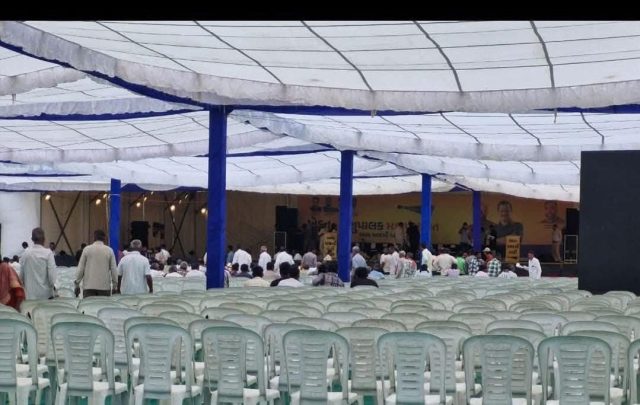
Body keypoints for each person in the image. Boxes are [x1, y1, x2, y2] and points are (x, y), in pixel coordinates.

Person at [74, 230, 118, 298]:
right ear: (104, 238)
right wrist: (115, 286)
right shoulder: (109, 250)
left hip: (88, 287)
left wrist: (77, 284)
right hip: (104, 288)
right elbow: (114, 269)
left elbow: (81, 268)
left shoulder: (86, 249)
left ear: (94, 237)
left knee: (89, 305)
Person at [20, 228, 57, 300]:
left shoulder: (25, 253)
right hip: (46, 297)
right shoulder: (48, 253)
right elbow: (52, 279)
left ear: (32, 239)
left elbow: (21, 277)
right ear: (44, 239)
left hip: (29, 297)